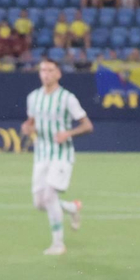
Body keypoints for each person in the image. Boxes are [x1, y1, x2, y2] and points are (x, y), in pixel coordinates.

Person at [21, 57, 93, 256]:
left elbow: (87, 126)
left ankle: (58, 244)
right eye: (43, 70)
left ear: (58, 74)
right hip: (41, 154)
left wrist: (67, 133)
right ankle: (71, 208)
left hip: (61, 154)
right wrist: (28, 128)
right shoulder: (33, 97)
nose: (46, 73)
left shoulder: (67, 98)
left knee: (50, 194)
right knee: (40, 203)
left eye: (50, 70)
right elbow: (32, 122)